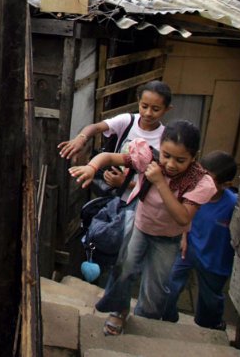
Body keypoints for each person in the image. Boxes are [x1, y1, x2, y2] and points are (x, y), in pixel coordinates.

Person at [68, 120, 216, 336]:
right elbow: (109, 157)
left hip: (168, 237)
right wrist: (91, 167)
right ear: (160, 149)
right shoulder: (148, 157)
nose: (171, 164)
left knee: (156, 285)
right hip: (140, 225)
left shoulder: (200, 182)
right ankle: (119, 311)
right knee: (123, 269)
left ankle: (145, 322)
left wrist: (160, 182)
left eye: (180, 160)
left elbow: (183, 218)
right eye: (166, 155)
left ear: (194, 157)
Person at [164, 151, 238, 329]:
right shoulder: (191, 191)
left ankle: (210, 327)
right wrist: (183, 236)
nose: (200, 182)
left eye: (208, 179)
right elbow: (184, 216)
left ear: (225, 185)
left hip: (215, 261)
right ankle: (167, 318)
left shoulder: (234, 205)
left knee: (210, 301)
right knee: (168, 286)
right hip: (188, 248)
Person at [59, 80, 173, 196]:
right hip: (113, 194)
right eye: (144, 106)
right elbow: (96, 127)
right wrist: (81, 138)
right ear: (138, 101)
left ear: (167, 109)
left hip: (139, 202)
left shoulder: (166, 139)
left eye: (155, 109)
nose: (148, 113)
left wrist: (125, 183)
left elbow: (161, 181)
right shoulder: (128, 121)